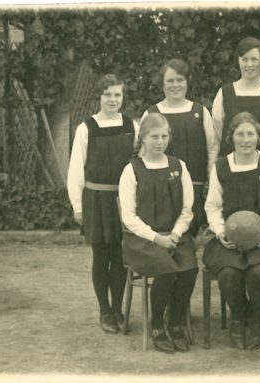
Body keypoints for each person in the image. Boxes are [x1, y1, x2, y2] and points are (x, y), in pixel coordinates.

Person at [203, 112, 260, 350]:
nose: (245, 139)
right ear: (231, 138)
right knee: (229, 274)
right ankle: (238, 317)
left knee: (259, 273)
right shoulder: (221, 167)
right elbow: (212, 206)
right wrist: (221, 232)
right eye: (240, 134)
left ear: (259, 137)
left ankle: (258, 317)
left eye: (250, 133)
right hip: (230, 240)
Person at [118, 113, 198, 353]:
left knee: (189, 267)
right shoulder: (131, 170)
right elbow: (129, 217)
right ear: (142, 137)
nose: (159, 142)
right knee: (165, 268)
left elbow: (187, 209)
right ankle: (156, 326)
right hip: (143, 241)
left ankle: (175, 324)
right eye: (154, 136)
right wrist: (157, 237)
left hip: (174, 235)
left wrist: (175, 233)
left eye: (164, 136)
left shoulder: (178, 166)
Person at [67, 73, 139, 334]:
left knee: (120, 257)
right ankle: (104, 311)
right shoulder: (86, 128)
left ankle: (119, 309)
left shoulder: (132, 126)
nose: (112, 99)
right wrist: (78, 206)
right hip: (96, 199)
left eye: (117, 95)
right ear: (99, 97)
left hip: (123, 200)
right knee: (101, 256)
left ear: (123, 98)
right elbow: (76, 169)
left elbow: (139, 164)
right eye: (107, 94)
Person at [142, 58, 218, 236]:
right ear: (162, 83)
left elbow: (212, 149)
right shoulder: (152, 113)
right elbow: (143, 155)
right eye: (170, 80)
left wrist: (210, 182)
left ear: (187, 81)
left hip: (194, 186)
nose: (175, 85)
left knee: (189, 240)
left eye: (180, 80)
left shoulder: (200, 112)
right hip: (160, 189)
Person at [212, 36, 260, 157]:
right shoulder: (224, 93)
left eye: (254, 59)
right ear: (238, 61)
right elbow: (218, 132)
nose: (249, 64)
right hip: (231, 166)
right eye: (244, 59)